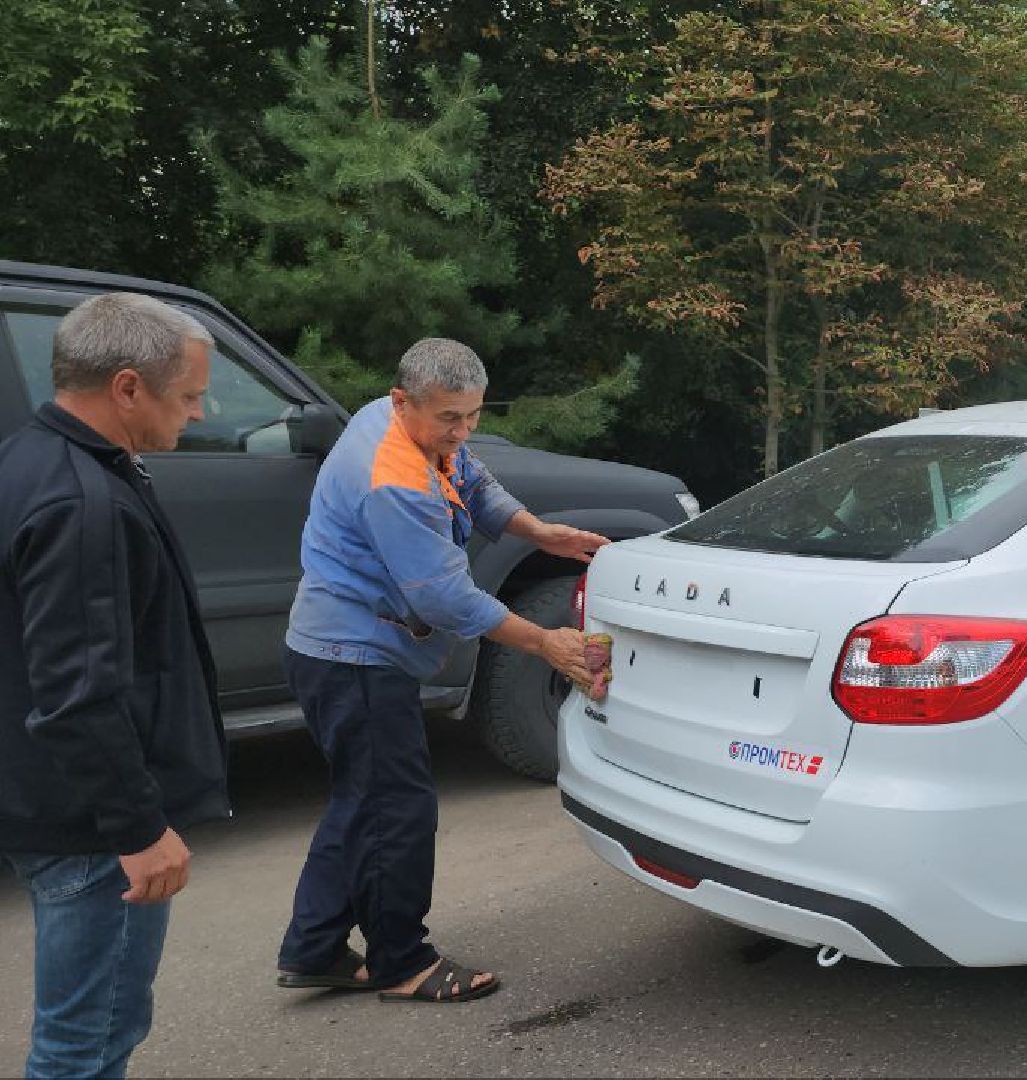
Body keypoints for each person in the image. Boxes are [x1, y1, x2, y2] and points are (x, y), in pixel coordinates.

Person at [276, 337, 607, 1004]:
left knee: (364, 801)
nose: (462, 431)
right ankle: (403, 962)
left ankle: (314, 949)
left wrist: (538, 531)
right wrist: (545, 642)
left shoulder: (401, 421)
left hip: (340, 649)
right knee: (397, 810)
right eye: (450, 418)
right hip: (353, 660)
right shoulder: (393, 481)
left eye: (473, 415)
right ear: (403, 400)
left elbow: (472, 480)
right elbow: (446, 600)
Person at [0, 293, 226, 1078]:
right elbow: (77, 691)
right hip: (89, 824)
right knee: (81, 1041)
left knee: (112, 1020)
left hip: (59, 800)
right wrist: (136, 827)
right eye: (189, 395)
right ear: (127, 387)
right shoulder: (80, 500)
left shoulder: (33, 458)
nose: (198, 414)